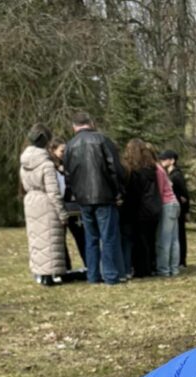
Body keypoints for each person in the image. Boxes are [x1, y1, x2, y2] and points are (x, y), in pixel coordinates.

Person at [62, 111, 125, 286]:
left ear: (74, 126)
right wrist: (118, 191)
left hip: (83, 198)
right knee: (108, 236)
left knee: (91, 237)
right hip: (104, 195)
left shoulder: (69, 146)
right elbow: (114, 168)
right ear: (90, 123)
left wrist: (75, 193)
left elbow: (68, 175)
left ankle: (93, 275)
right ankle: (111, 276)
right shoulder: (102, 140)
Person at [19, 124, 67, 287]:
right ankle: (51, 273)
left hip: (31, 201)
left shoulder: (24, 163)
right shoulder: (46, 165)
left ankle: (39, 272)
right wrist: (62, 213)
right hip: (45, 202)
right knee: (50, 239)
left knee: (36, 240)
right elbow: (53, 191)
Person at [120, 139, 161, 279]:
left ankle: (141, 269)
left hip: (139, 209)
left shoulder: (135, 172)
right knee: (150, 239)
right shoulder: (152, 169)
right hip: (153, 208)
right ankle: (151, 266)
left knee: (138, 240)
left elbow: (134, 194)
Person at [48, 136, 86, 272]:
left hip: (74, 208)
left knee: (82, 237)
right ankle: (65, 267)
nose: (65, 154)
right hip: (60, 207)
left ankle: (89, 265)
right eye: (62, 151)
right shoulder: (50, 168)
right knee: (60, 240)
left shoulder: (70, 165)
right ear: (53, 151)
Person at [159, 150, 190, 267]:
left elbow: (185, 195)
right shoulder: (170, 174)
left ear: (172, 161)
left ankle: (181, 260)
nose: (162, 161)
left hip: (178, 208)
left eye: (164, 159)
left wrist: (186, 210)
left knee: (179, 234)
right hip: (177, 206)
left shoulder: (176, 176)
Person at [154, 151, 180, 277]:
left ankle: (163, 269)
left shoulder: (158, 171)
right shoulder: (163, 171)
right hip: (174, 203)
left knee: (164, 239)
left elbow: (159, 191)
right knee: (174, 239)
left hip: (167, 204)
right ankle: (174, 268)